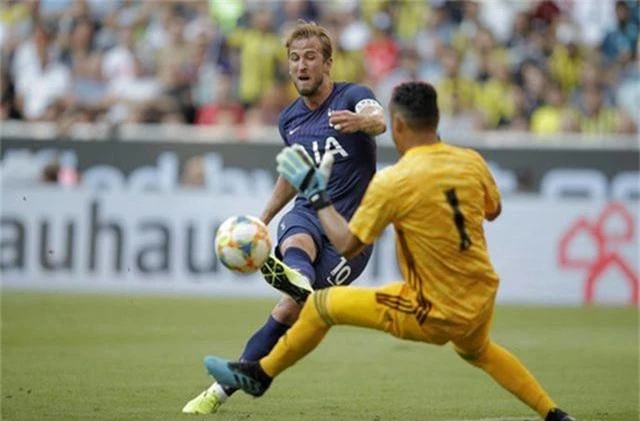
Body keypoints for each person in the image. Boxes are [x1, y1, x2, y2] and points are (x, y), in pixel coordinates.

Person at [203, 81, 576, 421]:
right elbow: (493, 210)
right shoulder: (471, 162)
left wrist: (317, 197)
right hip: (480, 295)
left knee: (320, 306)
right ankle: (555, 415)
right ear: (436, 119)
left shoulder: (394, 182)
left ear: (398, 126)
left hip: (431, 307)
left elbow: (348, 244)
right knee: (480, 352)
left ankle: (260, 376)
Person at [182, 20, 386, 414]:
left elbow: (378, 118)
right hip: (309, 210)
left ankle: (223, 388)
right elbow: (291, 176)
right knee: (296, 240)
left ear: (327, 63)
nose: (301, 65)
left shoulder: (352, 96)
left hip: (352, 234)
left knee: (286, 310)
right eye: (294, 58)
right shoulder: (289, 121)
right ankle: (298, 279)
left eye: (310, 57)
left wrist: (362, 123)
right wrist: (262, 219)